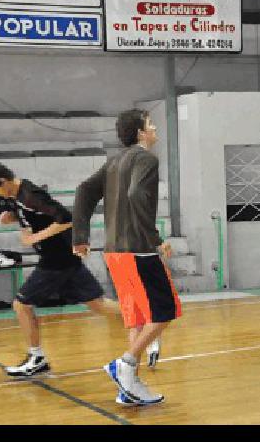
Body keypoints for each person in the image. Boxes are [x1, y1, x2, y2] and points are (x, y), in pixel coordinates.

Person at [73, 109, 182, 405]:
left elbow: (84, 190)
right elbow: (136, 195)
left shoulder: (113, 162)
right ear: (140, 132)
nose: (155, 127)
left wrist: (80, 237)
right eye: (150, 124)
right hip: (137, 250)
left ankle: (128, 387)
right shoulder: (146, 159)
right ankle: (126, 364)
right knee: (165, 311)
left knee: (135, 317)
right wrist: (156, 239)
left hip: (114, 253)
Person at [0, 162, 121, 378]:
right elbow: (29, 213)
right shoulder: (16, 196)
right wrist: (11, 217)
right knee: (99, 305)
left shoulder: (30, 195)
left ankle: (36, 358)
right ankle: (145, 320)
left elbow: (65, 218)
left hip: (56, 259)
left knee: (21, 304)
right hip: (64, 257)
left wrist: (35, 237)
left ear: (3, 182)